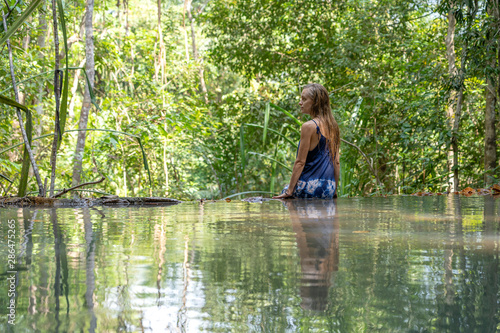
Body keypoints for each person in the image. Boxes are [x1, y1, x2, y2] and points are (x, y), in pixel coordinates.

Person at [273, 83, 340, 199]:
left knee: (285, 190)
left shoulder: (308, 126)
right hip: (328, 187)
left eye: (304, 99)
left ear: (315, 102)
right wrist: (334, 190)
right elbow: (336, 163)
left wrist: (289, 191)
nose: (300, 103)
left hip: (310, 187)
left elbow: (300, 162)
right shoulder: (334, 127)